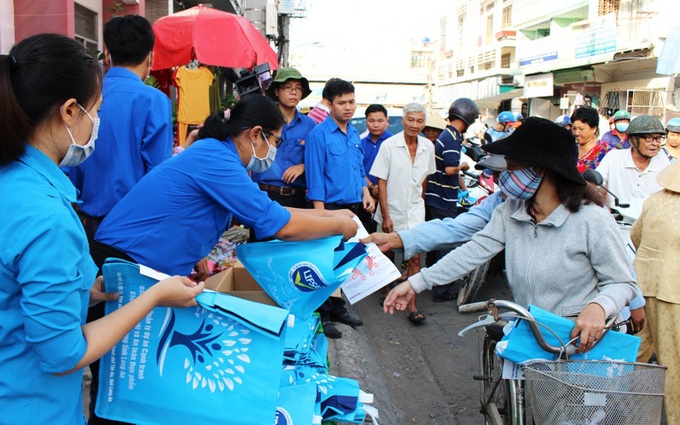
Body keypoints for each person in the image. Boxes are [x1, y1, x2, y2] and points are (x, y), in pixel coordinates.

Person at [0, 33, 203, 425]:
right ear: (70, 111)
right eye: (98, 109)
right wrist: (156, 296)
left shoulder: (15, 182)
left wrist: (82, 291)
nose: (99, 122)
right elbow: (63, 355)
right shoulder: (47, 219)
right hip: (32, 408)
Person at [384, 117, 638, 354]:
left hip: (578, 340)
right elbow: (472, 251)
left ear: (542, 170)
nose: (504, 175)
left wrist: (598, 307)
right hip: (532, 330)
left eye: (513, 167)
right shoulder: (510, 211)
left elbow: (622, 283)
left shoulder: (591, 220)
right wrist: (416, 283)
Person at [65, 15, 173, 241]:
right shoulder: (154, 101)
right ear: (150, 56)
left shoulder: (83, 96)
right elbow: (159, 173)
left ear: (107, 55)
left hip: (85, 223)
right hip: (134, 226)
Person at [304, 78, 373, 338]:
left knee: (345, 261)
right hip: (329, 209)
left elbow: (358, 168)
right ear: (329, 104)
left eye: (351, 101)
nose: (348, 107)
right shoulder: (318, 135)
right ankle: (323, 313)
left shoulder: (354, 133)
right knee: (325, 262)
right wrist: (321, 215)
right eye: (341, 102)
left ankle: (338, 307)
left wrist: (365, 192)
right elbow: (315, 178)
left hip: (353, 207)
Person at [370, 103, 435, 323]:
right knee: (386, 253)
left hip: (415, 211)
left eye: (419, 121)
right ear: (403, 120)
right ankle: (386, 288)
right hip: (392, 210)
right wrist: (386, 215)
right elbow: (382, 181)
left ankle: (412, 305)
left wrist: (420, 203)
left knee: (415, 257)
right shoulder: (389, 145)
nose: (415, 125)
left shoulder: (428, 147)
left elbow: (425, 179)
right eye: (411, 120)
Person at [631, 160, 680, 424]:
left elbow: (636, 237)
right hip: (673, 292)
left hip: (642, 285)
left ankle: (622, 410)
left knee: (637, 354)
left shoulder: (654, 199)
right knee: (674, 366)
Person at [424, 98, 479, 301]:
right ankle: (442, 290)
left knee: (434, 242)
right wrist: (463, 168)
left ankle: (432, 279)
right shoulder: (452, 138)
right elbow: (449, 169)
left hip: (434, 196)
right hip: (442, 197)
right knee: (446, 244)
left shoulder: (445, 135)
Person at [252, 67, 315, 209]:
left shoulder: (310, 125)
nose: (294, 92)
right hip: (264, 194)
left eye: (298, 88)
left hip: (297, 198)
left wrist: (304, 166)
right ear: (276, 91)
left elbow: (320, 158)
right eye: (288, 87)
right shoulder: (262, 120)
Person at [595, 115, 671, 209]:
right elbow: (595, 186)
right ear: (632, 140)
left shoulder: (663, 161)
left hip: (649, 220)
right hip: (616, 220)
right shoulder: (613, 158)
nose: (655, 143)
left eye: (658, 138)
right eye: (648, 138)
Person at [360, 104, 393, 232]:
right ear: (366, 121)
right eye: (371, 120)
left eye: (380, 120)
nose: (376, 125)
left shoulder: (393, 142)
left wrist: (380, 190)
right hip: (364, 195)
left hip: (388, 197)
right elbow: (358, 168)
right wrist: (371, 188)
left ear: (387, 121)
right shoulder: (359, 142)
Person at [571, 106, 612, 174]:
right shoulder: (570, 149)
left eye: (581, 129)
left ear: (594, 129)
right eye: (574, 128)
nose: (576, 133)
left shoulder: (608, 152)